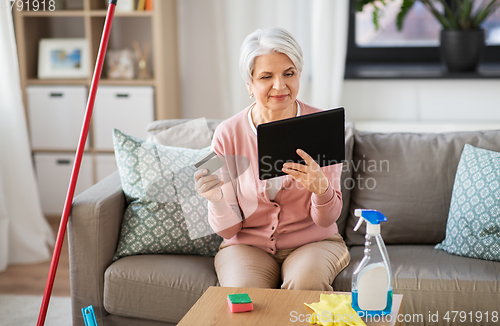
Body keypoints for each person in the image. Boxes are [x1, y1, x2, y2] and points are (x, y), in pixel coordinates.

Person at [193, 27, 349, 291]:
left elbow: (326, 219)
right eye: (266, 76)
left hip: (314, 243)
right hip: (246, 246)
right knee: (244, 295)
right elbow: (229, 231)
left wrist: (321, 190)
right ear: (250, 85)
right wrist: (216, 200)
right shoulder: (226, 134)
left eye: (289, 73)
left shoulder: (325, 126)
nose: (280, 86)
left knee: (305, 284)